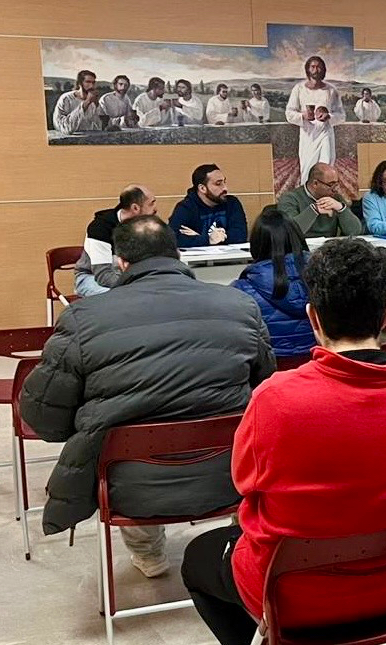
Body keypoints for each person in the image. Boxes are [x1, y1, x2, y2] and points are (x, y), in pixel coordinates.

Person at [182, 237, 386, 644]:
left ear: (314, 318)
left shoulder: (275, 399)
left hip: (296, 598)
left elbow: (244, 485)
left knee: (196, 560)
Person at [21, 215, 275, 578]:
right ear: (177, 255)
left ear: (120, 263)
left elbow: (42, 415)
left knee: (121, 435)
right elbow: (265, 388)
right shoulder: (238, 306)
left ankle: (149, 555)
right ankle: (237, 543)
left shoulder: (84, 317)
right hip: (230, 476)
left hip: (133, 486)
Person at [231, 206, 315, 358]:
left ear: (256, 243)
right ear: (297, 237)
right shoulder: (325, 279)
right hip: (318, 365)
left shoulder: (241, 290)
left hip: (269, 370)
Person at [74, 184, 157, 296]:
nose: (155, 209)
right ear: (135, 208)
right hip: (92, 278)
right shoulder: (100, 228)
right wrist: (134, 286)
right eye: (151, 203)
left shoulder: (147, 226)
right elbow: (103, 275)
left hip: (129, 279)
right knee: (123, 297)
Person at [284, 55, 346, 186]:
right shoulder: (299, 89)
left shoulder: (331, 90)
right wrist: (303, 116)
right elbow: (289, 113)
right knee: (308, 170)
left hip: (325, 134)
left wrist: (329, 116)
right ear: (308, 69)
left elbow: (341, 115)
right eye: (313, 66)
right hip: (308, 137)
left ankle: (326, 201)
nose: (316, 69)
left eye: (319, 67)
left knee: (326, 168)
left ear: (323, 70)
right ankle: (307, 203)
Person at [169, 164, 248, 248]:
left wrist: (200, 238)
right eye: (218, 184)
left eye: (224, 182)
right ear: (202, 188)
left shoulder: (232, 203)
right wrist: (208, 239)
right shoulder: (186, 208)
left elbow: (241, 234)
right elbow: (173, 239)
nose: (225, 188)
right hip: (198, 260)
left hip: (230, 259)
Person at [277, 162, 362, 238]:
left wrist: (341, 208)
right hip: (301, 248)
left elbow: (355, 231)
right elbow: (290, 232)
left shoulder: (336, 198)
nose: (335, 189)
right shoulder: (290, 198)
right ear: (315, 183)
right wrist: (314, 210)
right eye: (331, 184)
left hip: (329, 248)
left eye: (336, 184)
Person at [53, 69, 102, 134]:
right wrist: (87, 102)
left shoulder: (94, 99)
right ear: (80, 83)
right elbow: (64, 127)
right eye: (88, 82)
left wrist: (96, 105)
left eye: (93, 82)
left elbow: (98, 125)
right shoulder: (66, 98)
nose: (91, 86)